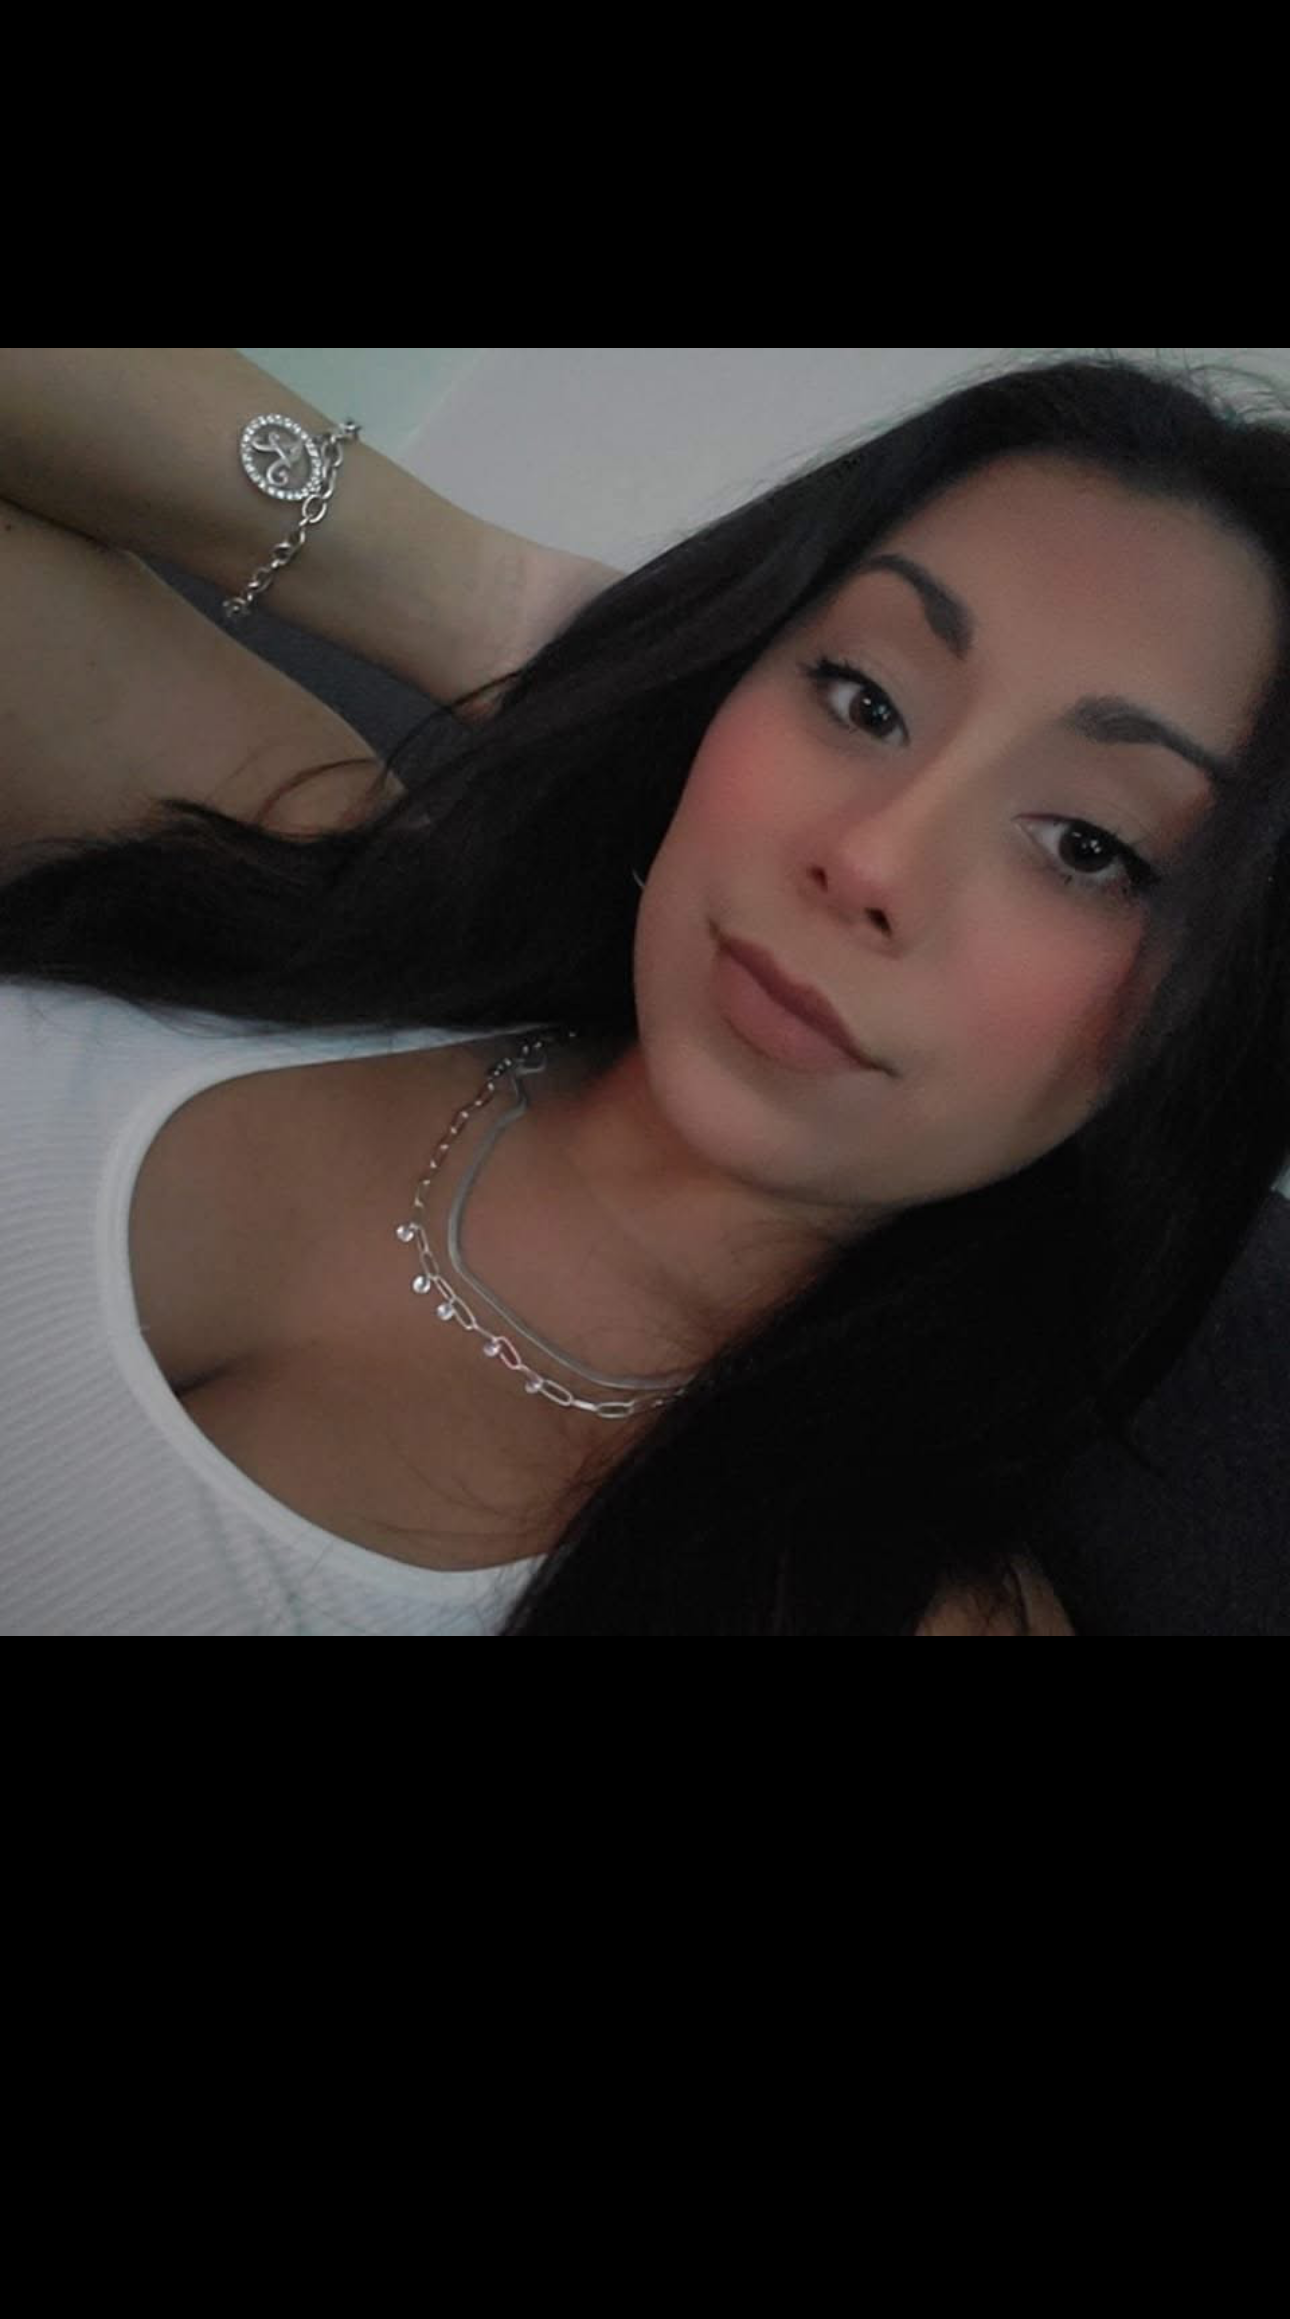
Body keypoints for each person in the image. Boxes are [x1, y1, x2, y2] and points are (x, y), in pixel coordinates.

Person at [1, 348, 1288, 1635]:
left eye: (1089, 849)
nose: (870, 860)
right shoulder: (344, 884)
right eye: (863, 697)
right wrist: (507, 606)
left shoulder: (873, 1609)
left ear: (1214, 1028)